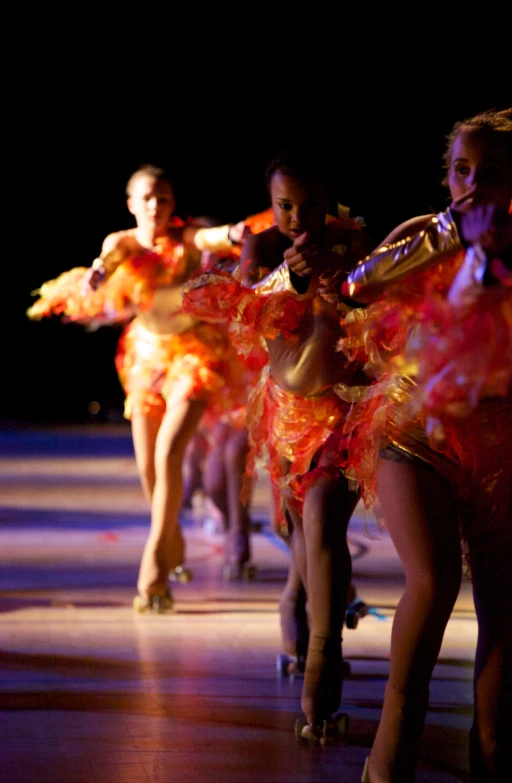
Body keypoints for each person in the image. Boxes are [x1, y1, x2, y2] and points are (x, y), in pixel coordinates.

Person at [338, 107, 512, 782]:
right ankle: (390, 757)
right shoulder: (426, 233)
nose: (472, 184)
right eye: (460, 170)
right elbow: (357, 286)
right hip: (414, 434)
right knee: (435, 578)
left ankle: (497, 756)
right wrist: (447, 235)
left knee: (507, 602)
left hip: (503, 445)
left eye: (491, 173)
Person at [183, 148, 374, 738]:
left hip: (345, 412)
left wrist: (343, 275)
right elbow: (236, 308)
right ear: (271, 204)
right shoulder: (264, 248)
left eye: (311, 205)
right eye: (284, 205)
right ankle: (297, 606)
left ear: (330, 201)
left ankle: (322, 673)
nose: (297, 217)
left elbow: (386, 302)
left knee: (321, 527)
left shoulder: (354, 242)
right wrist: (289, 275)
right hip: (287, 414)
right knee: (300, 535)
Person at [28, 164, 249, 612]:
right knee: (149, 469)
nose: (156, 206)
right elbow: (107, 261)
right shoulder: (123, 242)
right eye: (147, 198)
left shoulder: (188, 240)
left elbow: (214, 237)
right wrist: (97, 273)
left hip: (194, 353)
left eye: (164, 198)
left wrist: (237, 231)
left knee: (170, 453)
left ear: (172, 204)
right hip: (146, 355)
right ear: (132, 204)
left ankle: (154, 567)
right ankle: (172, 537)